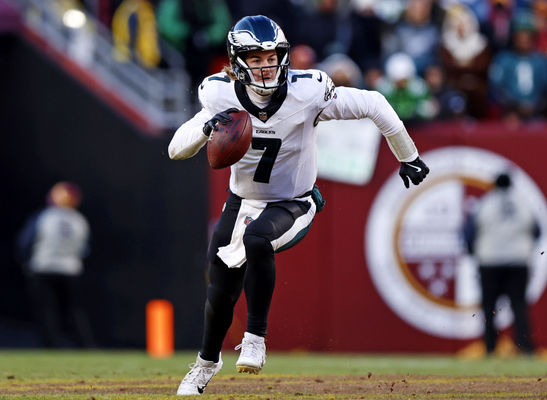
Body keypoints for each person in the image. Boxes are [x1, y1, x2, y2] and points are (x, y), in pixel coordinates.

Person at [168, 15, 429, 395]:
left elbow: (374, 103)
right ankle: (206, 364)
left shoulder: (307, 91)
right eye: (255, 58)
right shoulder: (218, 94)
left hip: (294, 202)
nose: (266, 64)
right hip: (242, 201)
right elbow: (176, 149)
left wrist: (408, 156)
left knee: (258, 239)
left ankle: (255, 337)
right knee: (219, 294)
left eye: (272, 55)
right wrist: (207, 129)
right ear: (238, 61)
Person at [463, 173, 538, 355]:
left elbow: (469, 234)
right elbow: (537, 232)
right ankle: (525, 348)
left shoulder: (484, 204)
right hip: (518, 262)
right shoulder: (524, 204)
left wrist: (475, 253)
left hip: (490, 262)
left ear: (494, 185)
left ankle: (490, 348)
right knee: (519, 305)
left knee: (489, 307)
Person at [16, 182, 94, 348]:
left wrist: (26, 262)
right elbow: (85, 249)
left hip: (43, 267)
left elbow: (26, 242)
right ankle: (84, 345)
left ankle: (51, 346)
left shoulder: (45, 216)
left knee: (46, 310)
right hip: (70, 269)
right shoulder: (79, 220)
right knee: (74, 311)